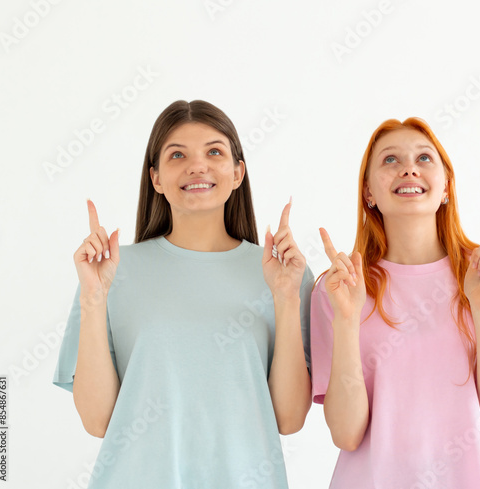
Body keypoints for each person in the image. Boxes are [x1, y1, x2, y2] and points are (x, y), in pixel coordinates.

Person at [53, 100, 314, 488]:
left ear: (238, 172)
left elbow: (289, 419)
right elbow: (97, 422)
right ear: (156, 178)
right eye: (177, 154)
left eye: (214, 151)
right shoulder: (111, 272)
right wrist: (93, 298)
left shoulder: (284, 274)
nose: (198, 166)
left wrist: (286, 298)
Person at [310, 117, 480, 488]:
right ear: (368, 192)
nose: (409, 169)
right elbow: (346, 435)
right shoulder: (339, 289)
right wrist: (347, 321)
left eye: (424, 159)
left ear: (446, 186)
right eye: (390, 160)